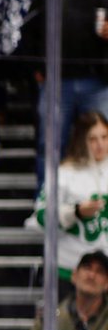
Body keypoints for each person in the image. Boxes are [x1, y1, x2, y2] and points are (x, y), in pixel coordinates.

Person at [20, 0, 108, 174]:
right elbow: (28, 31)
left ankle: (102, 200)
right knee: (50, 146)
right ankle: (44, 204)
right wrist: (36, 68)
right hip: (57, 83)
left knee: (102, 146)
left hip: (100, 82)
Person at [29, 111, 108, 290]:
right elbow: (42, 216)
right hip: (70, 270)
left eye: (104, 137)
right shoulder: (64, 174)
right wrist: (76, 212)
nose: (100, 144)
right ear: (81, 140)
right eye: (93, 139)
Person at [23, 250, 108, 330]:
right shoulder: (49, 319)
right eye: (87, 268)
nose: (92, 275)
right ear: (74, 276)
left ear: (107, 283)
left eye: (100, 271)